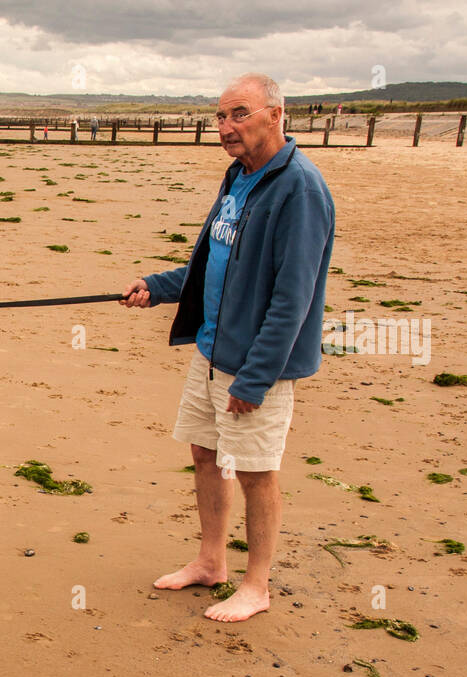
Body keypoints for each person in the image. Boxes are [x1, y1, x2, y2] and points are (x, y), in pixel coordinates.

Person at [120, 73, 335, 623]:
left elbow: (294, 298)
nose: (225, 127)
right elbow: (212, 263)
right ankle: (210, 562)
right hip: (212, 351)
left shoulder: (299, 189)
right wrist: (157, 286)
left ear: (276, 115)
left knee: (256, 471)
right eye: (220, 116)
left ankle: (256, 585)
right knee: (206, 456)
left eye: (239, 114)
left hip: (253, 364)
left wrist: (256, 378)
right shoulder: (240, 177)